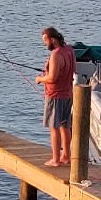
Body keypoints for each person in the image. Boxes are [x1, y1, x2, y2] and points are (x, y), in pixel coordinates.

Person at [38, 27, 77, 166]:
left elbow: (52, 78)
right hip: (68, 92)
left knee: (54, 127)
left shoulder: (56, 55)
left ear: (52, 40)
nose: (45, 44)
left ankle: (55, 159)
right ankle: (66, 156)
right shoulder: (69, 50)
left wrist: (40, 79)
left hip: (55, 95)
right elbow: (72, 70)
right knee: (65, 126)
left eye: (45, 41)